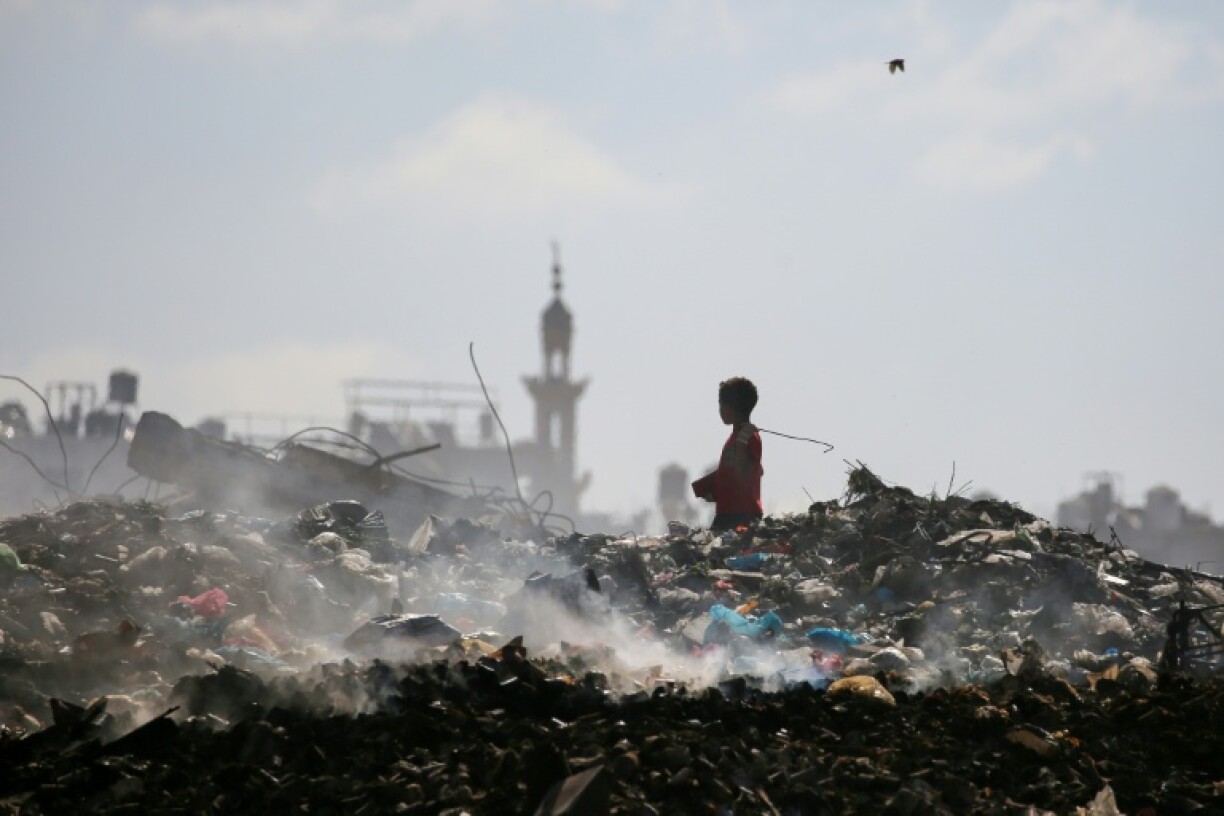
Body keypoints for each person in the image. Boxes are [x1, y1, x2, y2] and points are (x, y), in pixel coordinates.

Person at [692, 376, 763, 532]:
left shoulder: (748, 437)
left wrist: (742, 442)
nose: (720, 410)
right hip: (727, 512)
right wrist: (714, 488)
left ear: (733, 407)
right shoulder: (735, 438)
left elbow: (742, 473)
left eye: (722, 405)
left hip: (742, 515)